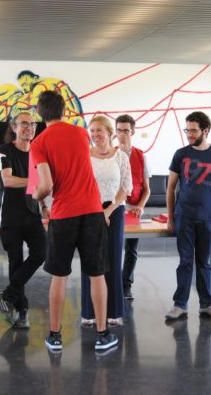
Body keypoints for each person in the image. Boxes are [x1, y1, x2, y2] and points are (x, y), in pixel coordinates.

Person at [31, 91, 118, 352]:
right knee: (96, 275)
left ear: (39, 113)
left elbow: (46, 186)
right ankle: (102, 334)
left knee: (59, 277)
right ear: (64, 110)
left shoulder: (39, 143)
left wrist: (36, 196)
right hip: (92, 211)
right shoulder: (81, 133)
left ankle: (55, 336)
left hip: (63, 214)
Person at [165, 111, 211, 320]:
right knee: (185, 262)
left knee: (204, 262)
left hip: (208, 217)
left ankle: (207, 304)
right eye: (187, 130)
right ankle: (180, 305)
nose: (189, 135)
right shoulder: (180, 154)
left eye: (193, 130)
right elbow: (170, 188)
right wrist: (170, 218)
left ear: (205, 130)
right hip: (184, 216)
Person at [0, 112, 46, 329]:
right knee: (15, 262)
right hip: (10, 216)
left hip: (31, 213)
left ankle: (5, 297)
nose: (29, 128)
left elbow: (39, 188)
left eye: (32, 124)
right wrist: (36, 180)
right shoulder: (4, 150)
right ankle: (22, 312)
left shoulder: (37, 153)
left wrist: (43, 205)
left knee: (42, 253)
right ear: (14, 127)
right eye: (24, 124)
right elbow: (8, 180)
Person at [81, 115, 132, 327]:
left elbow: (125, 187)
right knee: (90, 261)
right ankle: (88, 312)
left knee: (113, 259)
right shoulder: (85, 155)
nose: (95, 135)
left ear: (110, 133)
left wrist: (108, 210)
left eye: (99, 130)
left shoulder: (121, 157)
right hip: (88, 211)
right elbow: (81, 185)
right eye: (92, 131)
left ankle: (113, 312)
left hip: (114, 211)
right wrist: (96, 211)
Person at [115, 114, 150, 300]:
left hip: (133, 210)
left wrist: (141, 206)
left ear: (133, 132)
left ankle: (126, 286)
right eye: (119, 130)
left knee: (131, 250)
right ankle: (112, 284)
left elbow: (147, 189)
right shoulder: (110, 154)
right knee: (111, 248)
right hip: (113, 208)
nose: (122, 134)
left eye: (126, 131)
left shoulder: (141, 156)